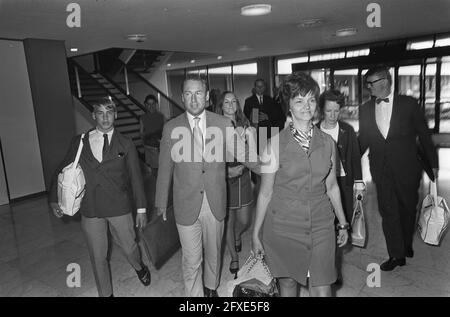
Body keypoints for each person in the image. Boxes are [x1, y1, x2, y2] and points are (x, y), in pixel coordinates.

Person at [155, 75, 259, 297]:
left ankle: (211, 288)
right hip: (185, 202)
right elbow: (165, 168)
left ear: (207, 96)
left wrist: (272, 169)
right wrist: (160, 202)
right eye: (189, 94)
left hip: (215, 200)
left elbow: (245, 155)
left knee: (214, 252)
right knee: (191, 259)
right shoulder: (171, 127)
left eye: (198, 93)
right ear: (182, 97)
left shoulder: (223, 124)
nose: (194, 99)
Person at [252, 72, 349, 297]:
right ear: (289, 106)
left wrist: (343, 222)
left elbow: (332, 186)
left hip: (321, 224)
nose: (307, 106)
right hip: (284, 225)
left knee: (323, 287)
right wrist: (255, 233)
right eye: (299, 101)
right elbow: (265, 193)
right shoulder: (273, 145)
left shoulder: (328, 143)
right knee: (287, 285)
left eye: (311, 100)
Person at [49, 97, 151, 297]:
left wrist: (141, 209)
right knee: (98, 256)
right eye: (101, 112)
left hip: (119, 207)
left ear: (115, 115)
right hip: (91, 208)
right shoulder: (80, 142)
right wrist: (54, 198)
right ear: (93, 115)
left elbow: (136, 179)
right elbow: (63, 168)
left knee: (130, 248)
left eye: (109, 112)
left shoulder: (126, 143)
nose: (105, 117)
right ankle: (106, 294)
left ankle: (139, 267)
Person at [359, 66, 439, 271]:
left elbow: (424, 135)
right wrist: (346, 161)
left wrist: (434, 165)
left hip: (407, 167)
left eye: (371, 83)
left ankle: (406, 243)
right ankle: (396, 254)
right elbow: (363, 140)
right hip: (380, 168)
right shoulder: (365, 109)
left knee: (407, 208)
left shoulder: (409, 104)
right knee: (388, 211)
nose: (368, 87)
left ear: (384, 82)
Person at [217, 91, 255, 278]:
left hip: (244, 179)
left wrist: (251, 139)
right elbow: (208, 159)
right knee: (228, 222)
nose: (230, 104)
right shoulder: (214, 127)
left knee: (245, 220)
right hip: (224, 180)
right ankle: (234, 257)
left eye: (234, 101)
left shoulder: (245, 124)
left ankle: (238, 235)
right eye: (226, 101)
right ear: (221, 105)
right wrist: (226, 171)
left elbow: (253, 153)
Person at [317, 89, 365, 223]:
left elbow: (355, 157)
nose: (332, 115)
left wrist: (359, 184)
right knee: (325, 220)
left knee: (345, 218)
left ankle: (345, 241)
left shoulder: (348, 130)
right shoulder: (314, 131)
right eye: (328, 111)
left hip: (344, 181)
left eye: (336, 111)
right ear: (322, 110)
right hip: (321, 183)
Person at [140, 94, 165, 168]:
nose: (151, 106)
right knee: (151, 168)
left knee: (159, 168)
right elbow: (141, 133)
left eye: (153, 104)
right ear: (145, 105)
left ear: (156, 104)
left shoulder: (161, 116)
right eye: (148, 104)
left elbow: (166, 132)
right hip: (148, 146)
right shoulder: (142, 118)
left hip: (158, 147)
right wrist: (144, 144)